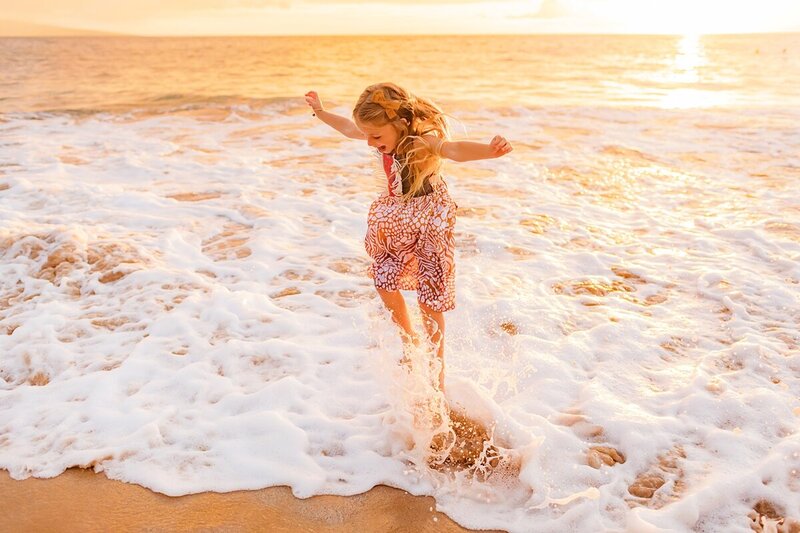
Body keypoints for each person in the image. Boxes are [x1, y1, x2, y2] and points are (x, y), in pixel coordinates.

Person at [304, 82, 512, 393]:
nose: (370, 143)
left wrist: (490, 152)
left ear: (400, 124)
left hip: (430, 218)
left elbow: (453, 150)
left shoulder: (422, 141)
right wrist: (319, 111)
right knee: (384, 279)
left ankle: (436, 373)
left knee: (430, 299)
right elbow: (349, 128)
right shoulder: (378, 133)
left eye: (376, 136)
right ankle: (409, 341)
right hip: (394, 215)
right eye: (369, 135)